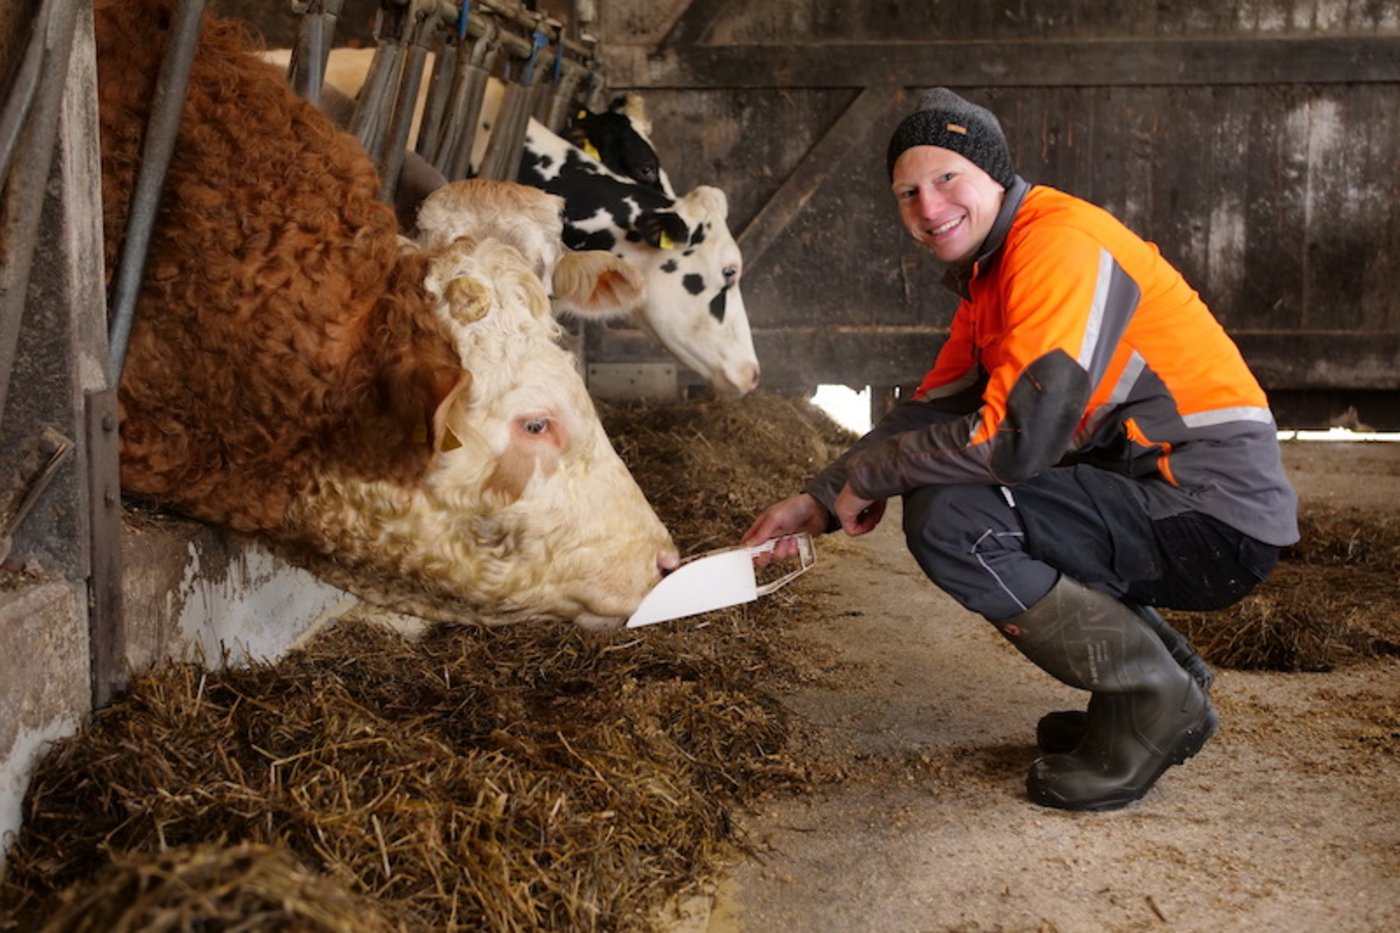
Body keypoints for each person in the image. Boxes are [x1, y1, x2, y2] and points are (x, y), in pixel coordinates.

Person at [743, 88, 1299, 812]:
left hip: (1211, 517)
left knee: (955, 516)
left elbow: (1015, 439)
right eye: (907, 192)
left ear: (994, 173)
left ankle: (1152, 695)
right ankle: (1165, 678)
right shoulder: (994, 270)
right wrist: (819, 497)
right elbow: (931, 407)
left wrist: (881, 473)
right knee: (955, 488)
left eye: (948, 179)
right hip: (1163, 496)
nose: (928, 206)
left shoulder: (1055, 245)